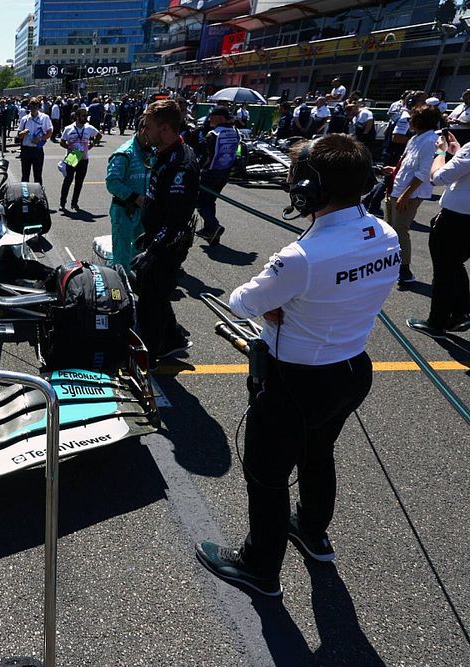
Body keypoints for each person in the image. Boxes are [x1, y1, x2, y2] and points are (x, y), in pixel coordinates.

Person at [195, 134, 400, 598]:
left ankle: (259, 567)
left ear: (309, 188)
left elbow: (241, 301)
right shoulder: (384, 234)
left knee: (266, 476)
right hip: (351, 370)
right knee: (317, 453)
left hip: (296, 382)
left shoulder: (301, 256)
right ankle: (312, 531)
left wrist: (286, 301)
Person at [128, 100, 200, 368]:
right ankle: (174, 339)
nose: (143, 131)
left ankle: (149, 356)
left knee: (150, 300)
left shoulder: (180, 164)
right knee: (155, 292)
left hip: (168, 244)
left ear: (165, 129)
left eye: (147, 127)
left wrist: (153, 250)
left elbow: (176, 220)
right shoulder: (165, 152)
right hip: (158, 237)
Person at [407, 128, 470, 337]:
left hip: (456, 219)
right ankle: (461, 312)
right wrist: (458, 152)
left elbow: (438, 177)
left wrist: (442, 153)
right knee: (455, 265)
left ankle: (437, 322)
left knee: (444, 270)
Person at [383, 104, 441, 286]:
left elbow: (423, 174)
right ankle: (391, 265)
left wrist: (406, 195)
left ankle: (404, 270)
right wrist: (393, 170)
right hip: (396, 188)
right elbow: (408, 165)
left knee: (400, 230)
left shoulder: (431, 140)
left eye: (412, 118)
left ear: (420, 121)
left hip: (409, 193)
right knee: (390, 230)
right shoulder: (415, 139)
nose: (409, 120)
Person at [106, 118, 152, 272]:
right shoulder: (125, 153)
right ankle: (121, 288)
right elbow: (112, 182)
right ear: (142, 129)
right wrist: (135, 198)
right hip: (124, 210)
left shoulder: (153, 151)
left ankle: (136, 280)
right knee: (122, 255)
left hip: (145, 211)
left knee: (141, 250)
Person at [195, 107, 240, 246]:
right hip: (225, 173)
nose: (209, 119)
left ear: (220, 117)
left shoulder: (213, 134)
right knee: (211, 200)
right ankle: (209, 230)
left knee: (201, 202)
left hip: (211, 172)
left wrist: (197, 169)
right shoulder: (235, 132)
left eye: (212, 116)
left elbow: (207, 157)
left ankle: (214, 226)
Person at [58, 108, 102, 211]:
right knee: (68, 180)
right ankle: (62, 203)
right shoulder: (69, 128)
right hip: (73, 156)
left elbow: (99, 136)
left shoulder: (89, 128)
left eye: (86, 115)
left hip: (84, 158)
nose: (86, 118)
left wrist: (92, 144)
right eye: (83, 116)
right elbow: (62, 142)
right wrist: (70, 147)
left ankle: (74, 203)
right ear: (77, 117)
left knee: (79, 182)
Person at [17, 98, 54, 184]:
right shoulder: (24, 119)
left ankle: (38, 195)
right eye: (31, 106)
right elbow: (19, 135)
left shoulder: (44, 118)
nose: (33, 109)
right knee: (25, 175)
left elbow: (50, 132)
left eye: (35, 106)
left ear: (39, 107)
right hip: (26, 149)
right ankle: (24, 194)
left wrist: (40, 139)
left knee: (37, 175)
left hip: (37, 149)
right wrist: (23, 132)